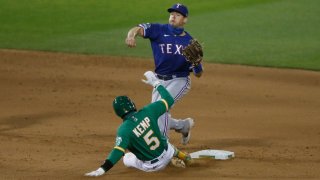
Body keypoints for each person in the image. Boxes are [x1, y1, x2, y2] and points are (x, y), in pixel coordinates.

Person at [85, 71, 192, 177]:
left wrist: (101, 170)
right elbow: (169, 100)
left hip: (154, 166)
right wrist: (156, 84)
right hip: (167, 151)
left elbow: (117, 152)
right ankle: (181, 155)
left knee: (126, 158)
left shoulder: (124, 130)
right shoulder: (148, 110)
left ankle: (169, 163)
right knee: (161, 139)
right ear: (132, 104)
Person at [125, 3, 203, 145]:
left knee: (162, 107)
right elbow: (138, 29)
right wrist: (131, 35)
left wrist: (197, 63)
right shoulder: (158, 30)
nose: (173, 16)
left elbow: (198, 74)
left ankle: (164, 146)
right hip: (159, 80)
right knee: (154, 115)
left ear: (185, 20)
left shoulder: (189, 41)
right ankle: (183, 126)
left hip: (179, 80)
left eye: (178, 14)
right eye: (172, 13)